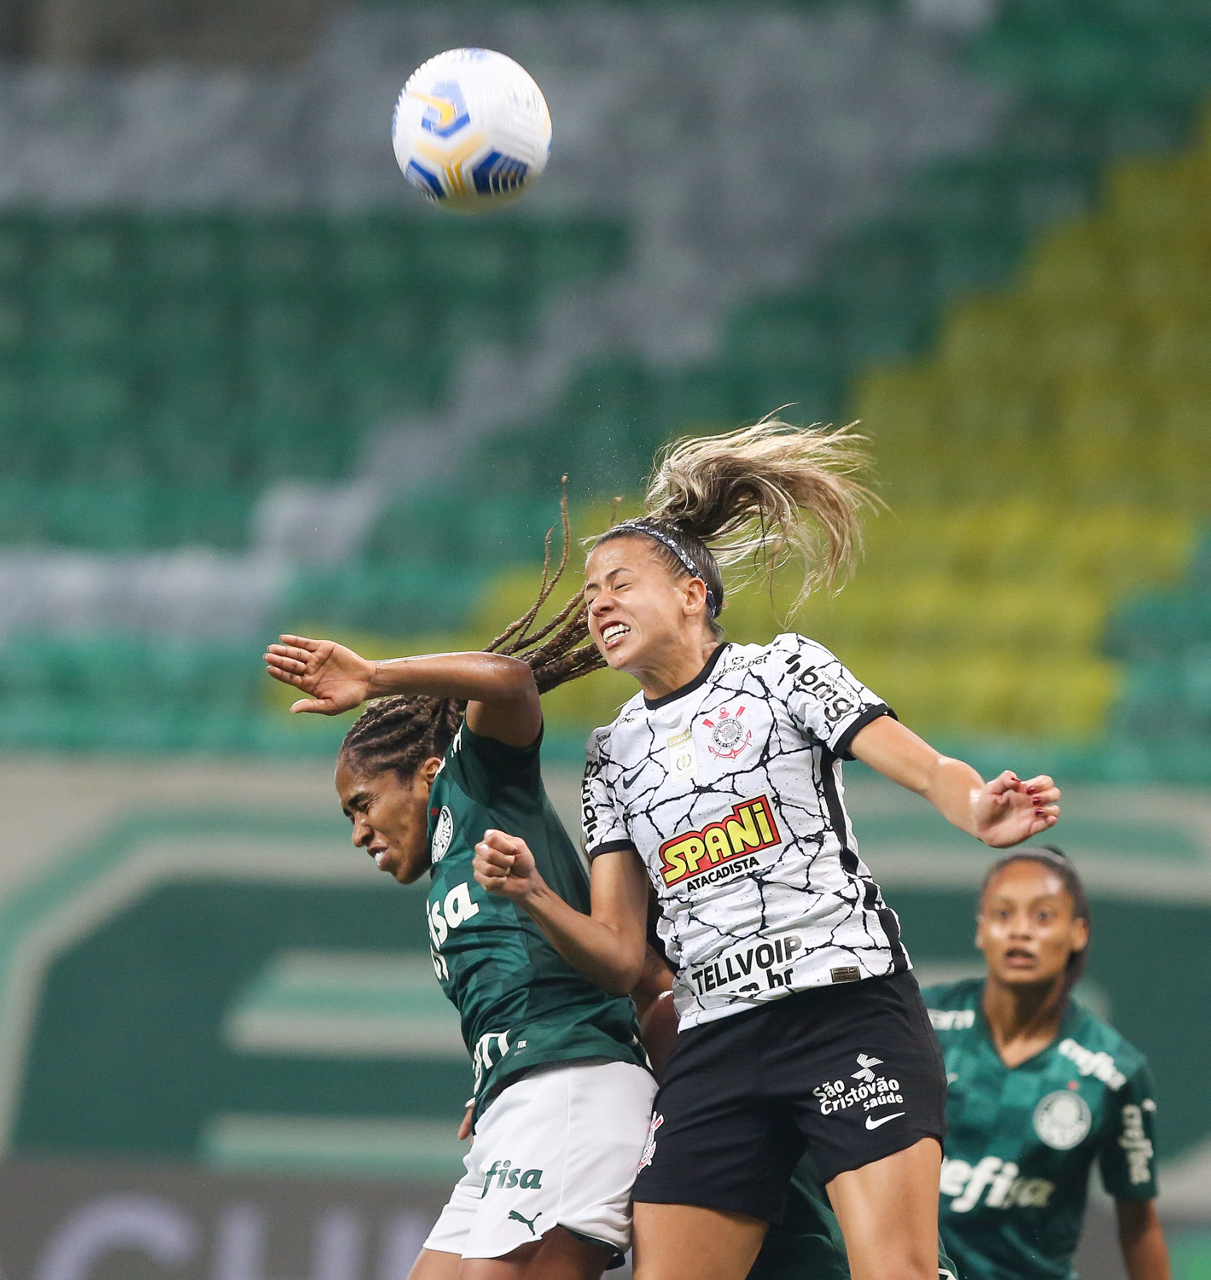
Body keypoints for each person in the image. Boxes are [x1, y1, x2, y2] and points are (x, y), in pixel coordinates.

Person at [472, 419, 1062, 1280]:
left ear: (692, 594)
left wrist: (976, 808)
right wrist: (532, 893)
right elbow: (619, 955)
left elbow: (925, 766)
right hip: (715, 1043)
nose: (596, 605)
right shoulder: (610, 753)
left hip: (843, 1010)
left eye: (619, 583)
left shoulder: (783, 671)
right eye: (590, 592)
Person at [263, 534, 657, 1280]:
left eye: (362, 804)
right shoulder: (450, 870)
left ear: (427, 771)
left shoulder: (477, 787)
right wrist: (494, 1073)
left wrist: (373, 676)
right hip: (517, 1103)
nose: (359, 833)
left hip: (572, 1089)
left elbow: (510, 681)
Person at [923, 847, 1170, 1280]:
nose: (1020, 931)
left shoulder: (1114, 1072)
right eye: (1003, 914)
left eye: (1042, 916)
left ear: (1078, 932)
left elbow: (1138, 1223)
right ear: (981, 930)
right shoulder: (920, 1026)